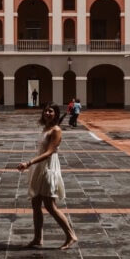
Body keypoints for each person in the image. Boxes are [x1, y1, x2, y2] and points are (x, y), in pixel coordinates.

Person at [17, 103, 78, 250]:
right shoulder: (46, 128)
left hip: (49, 167)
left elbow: (50, 152)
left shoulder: (56, 130)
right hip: (40, 167)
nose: (47, 113)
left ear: (56, 114)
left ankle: (71, 235)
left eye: (51, 111)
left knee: (50, 206)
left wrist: (29, 163)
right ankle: (38, 238)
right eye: (45, 111)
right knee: (35, 204)